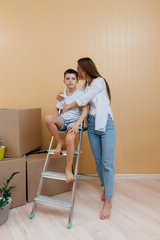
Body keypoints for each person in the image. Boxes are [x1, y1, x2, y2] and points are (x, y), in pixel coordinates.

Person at [60, 57, 116, 220]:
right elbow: (76, 96)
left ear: (85, 68)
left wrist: (68, 106)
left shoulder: (99, 82)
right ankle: (105, 187)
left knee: (107, 164)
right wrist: (62, 97)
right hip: (91, 124)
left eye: (78, 69)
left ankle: (109, 201)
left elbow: (82, 100)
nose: (77, 71)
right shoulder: (85, 85)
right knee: (98, 161)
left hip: (106, 124)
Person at [44, 69, 89, 183]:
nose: (70, 81)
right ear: (64, 81)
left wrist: (77, 125)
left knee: (69, 139)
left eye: (73, 78)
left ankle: (68, 169)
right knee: (48, 118)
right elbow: (57, 110)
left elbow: (85, 111)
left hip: (74, 122)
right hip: (63, 121)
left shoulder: (81, 94)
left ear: (77, 81)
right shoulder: (62, 95)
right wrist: (55, 119)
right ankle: (59, 142)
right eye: (68, 79)